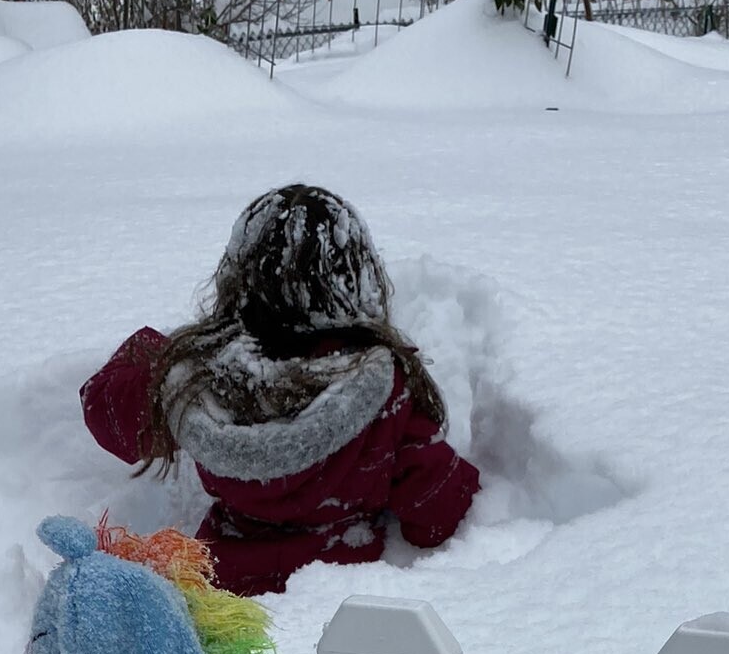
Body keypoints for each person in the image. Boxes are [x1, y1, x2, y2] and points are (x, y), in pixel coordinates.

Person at [80, 185, 481, 597]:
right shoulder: (382, 390)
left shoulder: (206, 381)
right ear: (356, 279)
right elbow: (437, 513)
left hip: (221, 596)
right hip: (338, 594)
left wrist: (169, 357)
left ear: (239, 277)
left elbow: (105, 408)